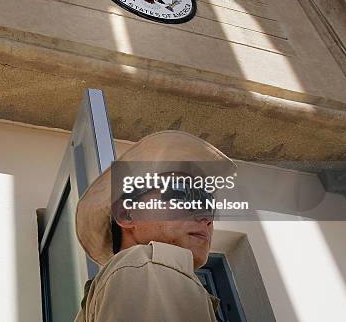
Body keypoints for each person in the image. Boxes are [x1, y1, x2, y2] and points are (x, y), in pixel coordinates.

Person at [74, 130, 237, 321]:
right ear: (126, 214)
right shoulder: (148, 263)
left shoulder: (125, 278)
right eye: (182, 193)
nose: (206, 217)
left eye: (208, 203)